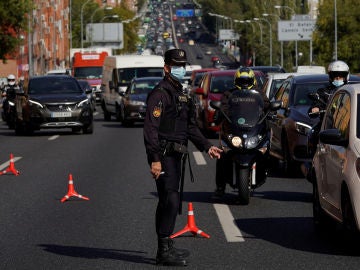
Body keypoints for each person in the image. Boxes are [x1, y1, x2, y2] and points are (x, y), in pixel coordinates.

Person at [143, 48, 222, 267]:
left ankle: (165, 246)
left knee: (171, 200)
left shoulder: (181, 94)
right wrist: (154, 158)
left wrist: (207, 146)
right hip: (164, 154)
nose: (181, 69)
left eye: (183, 65)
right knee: (170, 199)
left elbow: (190, 127)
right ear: (166, 68)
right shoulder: (160, 94)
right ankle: (163, 250)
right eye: (176, 66)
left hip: (177, 154)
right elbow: (150, 129)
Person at [212, 67, 270, 199]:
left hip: (253, 129)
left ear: (252, 80)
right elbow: (223, 107)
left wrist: (271, 111)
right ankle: (220, 187)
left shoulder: (259, 93)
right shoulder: (229, 94)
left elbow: (266, 105)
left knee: (266, 147)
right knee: (221, 154)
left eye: (247, 80)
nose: (244, 83)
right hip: (233, 130)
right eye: (241, 80)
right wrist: (219, 114)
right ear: (236, 81)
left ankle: (264, 168)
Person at [301, 60, 350, 177]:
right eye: (335, 76)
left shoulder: (351, 90)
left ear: (346, 76)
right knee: (313, 133)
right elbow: (316, 103)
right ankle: (314, 164)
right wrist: (316, 108)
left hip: (348, 126)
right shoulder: (324, 92)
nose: (338, 79)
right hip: (327, 125)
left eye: (341, 76)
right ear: (330, 77)